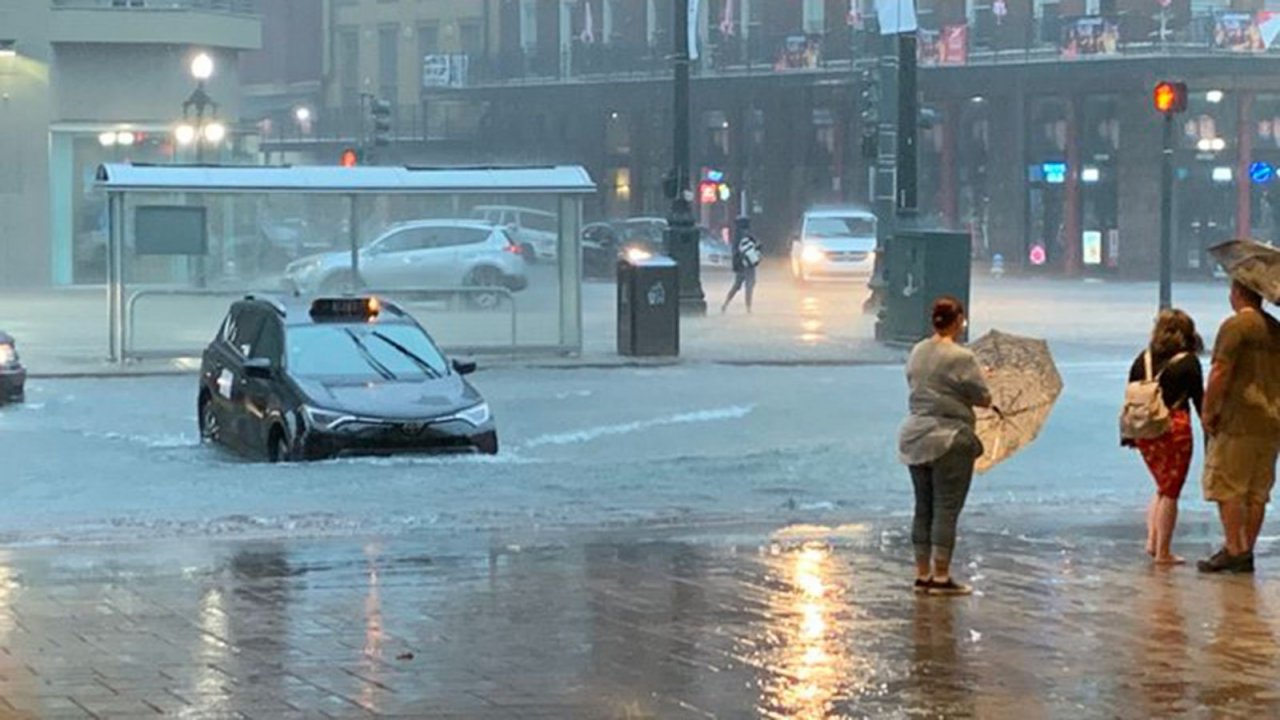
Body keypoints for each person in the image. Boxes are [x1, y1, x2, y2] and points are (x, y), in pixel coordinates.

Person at [898, 297, 992, 596]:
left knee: (922, 507)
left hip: (914, 436)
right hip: (949, 437)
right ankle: (941, 577)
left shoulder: (917, 351)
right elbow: (983, 397)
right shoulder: (961, 357)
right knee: (946, 508)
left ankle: (922, 574)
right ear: (959, 320)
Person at [1198, 280, 1280, 573]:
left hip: (1239, 418)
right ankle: (1247, 548)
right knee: (1257, 492)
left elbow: (1220, 371)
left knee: (1228, 486)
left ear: (1237, 293)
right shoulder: (1276, 329)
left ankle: (1235, 548)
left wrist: (1208, 411)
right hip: (1272, 421)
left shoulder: (1235, 327)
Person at [1124, 310, 1205, 566]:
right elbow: (1199, 401)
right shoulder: (1189, 362)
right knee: (1171, 491)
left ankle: (1152, 540)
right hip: (1174, 429)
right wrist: (1210, 431)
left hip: (1144, 430)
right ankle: (1163, 552)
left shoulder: (1142, 359)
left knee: (1161, 487)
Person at [721, 217, 761, 314]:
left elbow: (735, 252)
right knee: (749, 286)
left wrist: (735, 265)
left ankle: (726, 304)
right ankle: (748, 308)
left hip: (740, 266)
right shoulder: (749, 235)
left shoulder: (736, 236)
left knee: (736, 286)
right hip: (749, 266)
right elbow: (758, 245)